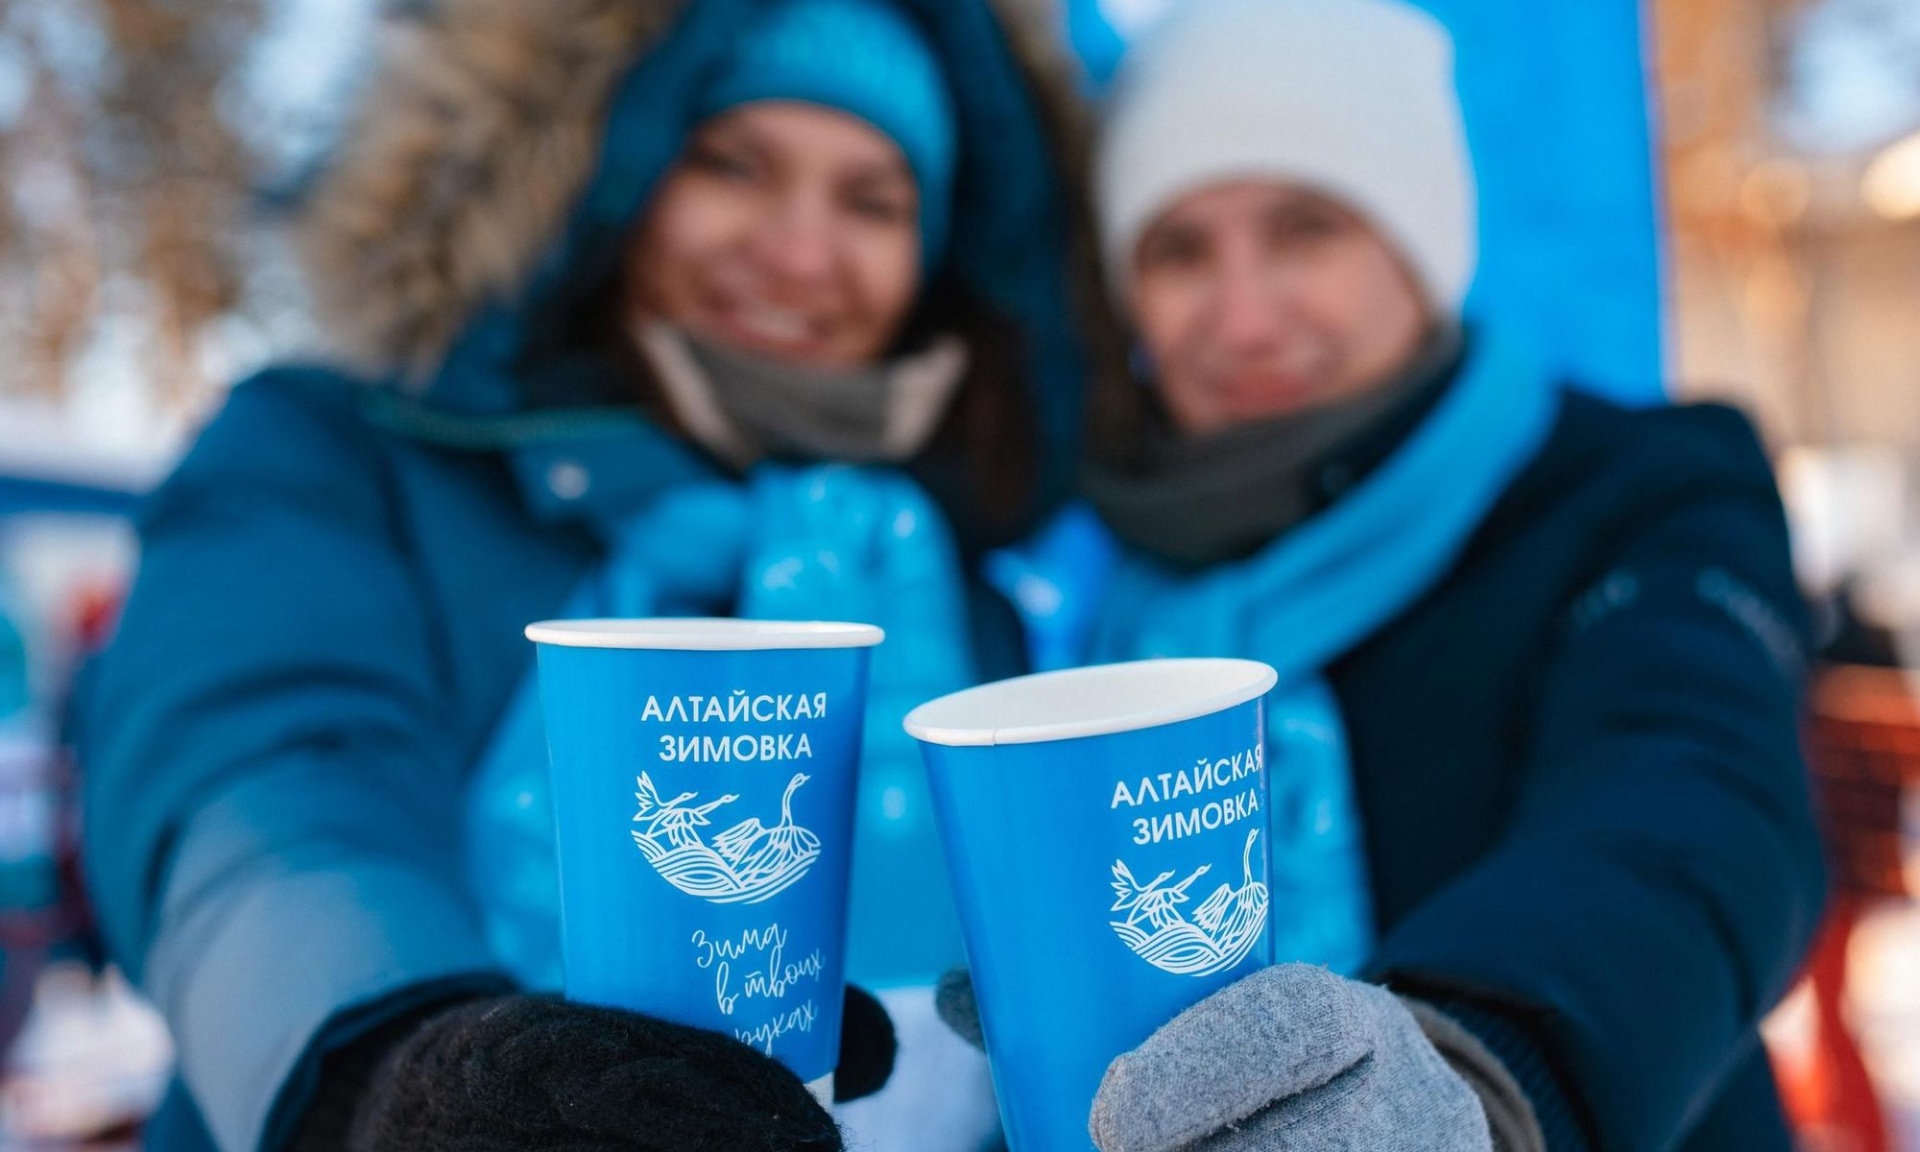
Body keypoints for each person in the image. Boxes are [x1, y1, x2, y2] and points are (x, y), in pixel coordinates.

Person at [75, 1, 1105, 1149]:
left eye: (874, 201)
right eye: (733, 164)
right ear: (612, 172)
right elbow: (255, 788)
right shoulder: (343, 463)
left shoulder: (951, 586)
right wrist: (388, 1068)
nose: (803, 251)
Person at [973, 0, 1827, 1148]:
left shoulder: (1638, 492)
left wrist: (1477, 1074)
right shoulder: (1112, 570)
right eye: (1178, 249)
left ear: (1420, 243)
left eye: (1305, 228)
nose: (1242, 315)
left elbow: (1695, 805)